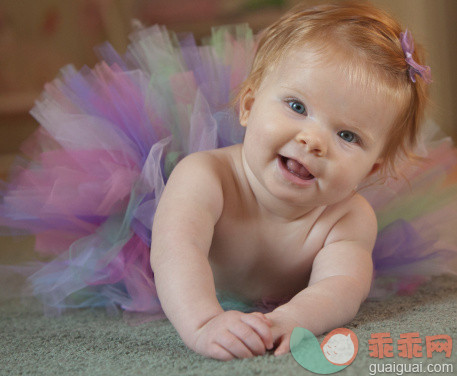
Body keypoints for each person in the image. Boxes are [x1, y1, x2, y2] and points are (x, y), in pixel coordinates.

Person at [1, 0, 455, 362]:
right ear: (249, 106)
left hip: (282, 294)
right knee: (154, 248)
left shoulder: (349, 218)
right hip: (170, 265)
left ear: (372, 170)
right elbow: (177, 250)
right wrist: (204, 322)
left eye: (348, 135)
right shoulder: (205, 175)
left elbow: (342, 287)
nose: (313, 141)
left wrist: (291, 319)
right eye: (297, 107)